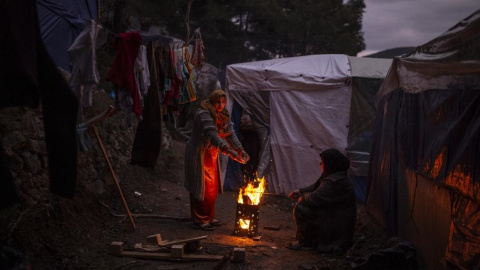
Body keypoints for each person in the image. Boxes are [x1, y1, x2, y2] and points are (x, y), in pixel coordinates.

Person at [184, 90, 250, 231]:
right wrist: (230, 152)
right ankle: (200, 219)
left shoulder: (224, 115)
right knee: (201, 187)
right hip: (199, 153)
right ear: (212, 101)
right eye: (218, 102)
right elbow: (213, 135)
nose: (220, 105)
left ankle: (208, 216)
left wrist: (241, 150)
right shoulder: (204, 114)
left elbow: (230, 135)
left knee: (212, 189)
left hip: (212, 154)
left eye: (223, 102)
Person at [287, 148, 356, 253]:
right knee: (304, 205)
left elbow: (314, 198)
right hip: (333, 216)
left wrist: (303, 197)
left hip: (336, 225)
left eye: (322, 162)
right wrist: (301, 191)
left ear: (330, 163)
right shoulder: (334, 174)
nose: (320, 164)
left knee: (301, 208)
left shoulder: (335, 182)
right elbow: (317, 187)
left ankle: (307, 243)